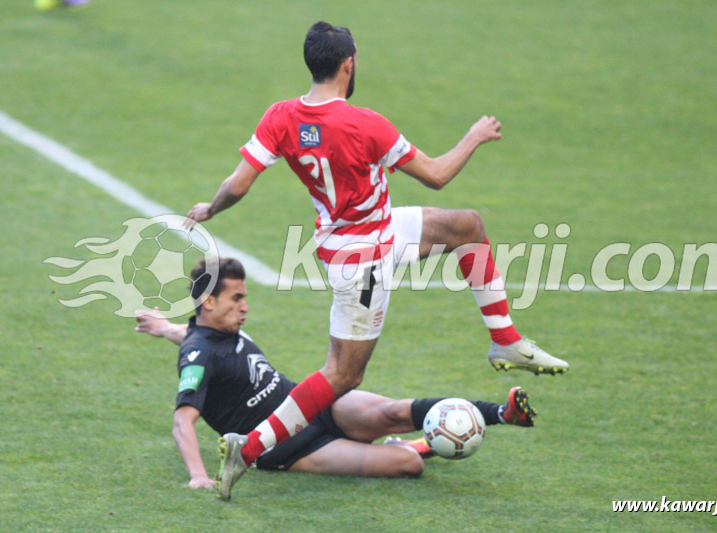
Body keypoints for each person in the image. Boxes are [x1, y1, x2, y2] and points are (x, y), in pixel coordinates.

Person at [184, 21, 568, 499]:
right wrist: (473, 136)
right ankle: (252, 446)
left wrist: (209, 209)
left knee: (465, 226)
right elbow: (436, 175)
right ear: (349, 64)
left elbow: (238, 184)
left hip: (372, 233)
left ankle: (505, 340)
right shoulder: (366, 123)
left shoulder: (281, 116)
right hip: (363, 259)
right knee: (343, 375)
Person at [134, 257, 537, 493]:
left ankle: (501, 413)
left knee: (392, 410)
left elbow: (189, 333)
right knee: (406, 466)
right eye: (236, 298)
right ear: (209, 301)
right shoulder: (199, 354)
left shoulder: (215, 331)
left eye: (245, 297)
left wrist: (161, 326)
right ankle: (417, 446)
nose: (245, 307)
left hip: (313, 405)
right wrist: (199, 477)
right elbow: (182, 419)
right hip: (289, 448)